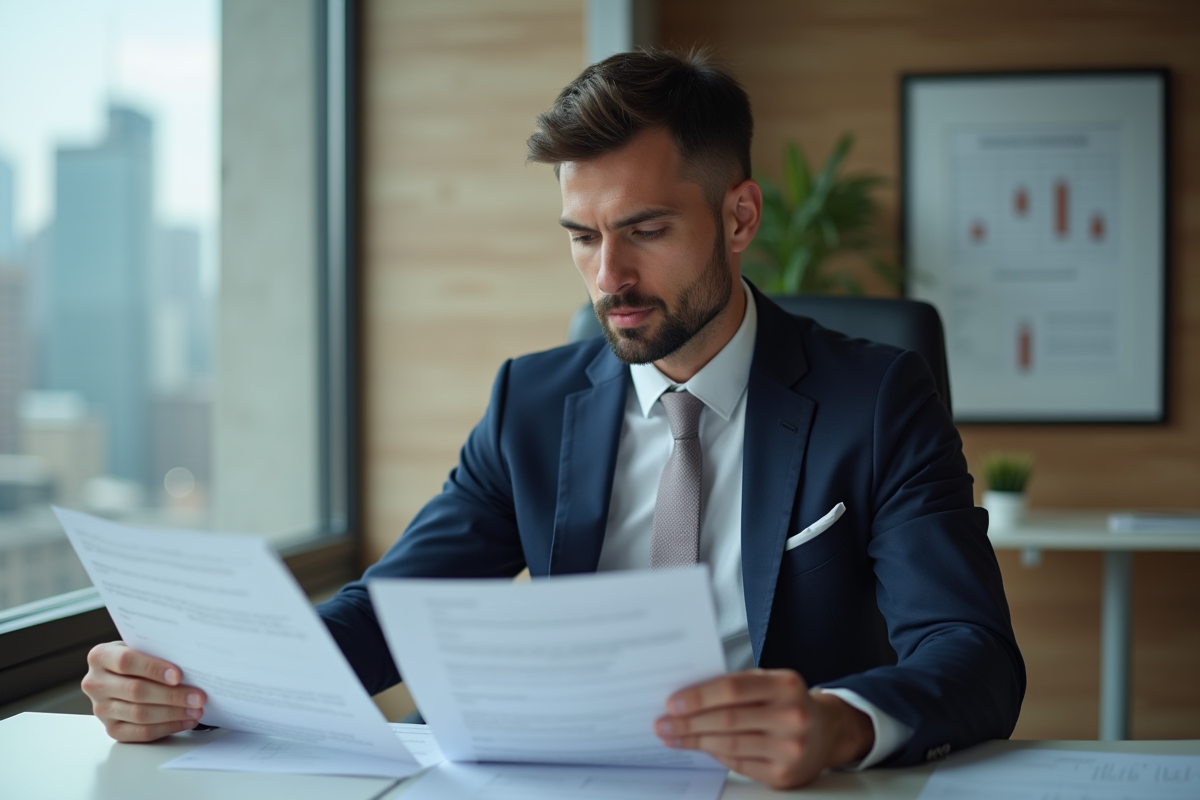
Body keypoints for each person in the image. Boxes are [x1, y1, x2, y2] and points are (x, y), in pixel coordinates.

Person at [80, 49, 1024, 790]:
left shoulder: (876, 399)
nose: (608, 276)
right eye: (582, 236)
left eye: (646, 230)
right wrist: (197, 689)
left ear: (739, 219)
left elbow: (971, 654)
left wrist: (841, 720)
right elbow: (394, 609)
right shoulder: (530, 404)